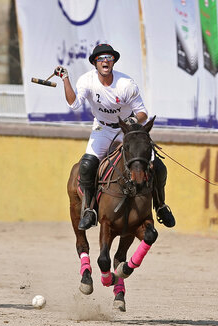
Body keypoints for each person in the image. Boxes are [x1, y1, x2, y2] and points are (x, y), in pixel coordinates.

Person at [54, 43, 175, 230]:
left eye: (109, 58)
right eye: (101, 58)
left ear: (113, 62)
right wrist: (65, 79)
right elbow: (74, 104)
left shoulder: (126, 84)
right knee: (86, 166)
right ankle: (89, 210)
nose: (105, 61)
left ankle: (160, 206)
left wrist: (131, 122)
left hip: (127, 130)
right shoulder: (87, 81)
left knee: (157, 166)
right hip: (102, 129)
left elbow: (142, 113)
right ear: (95, 63)